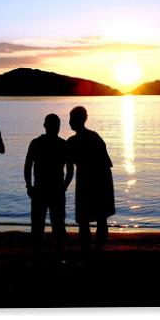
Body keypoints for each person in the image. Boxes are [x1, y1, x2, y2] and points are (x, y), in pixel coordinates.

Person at [67, 106, 115, 257]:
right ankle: (96, 251)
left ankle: (90, 251)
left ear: (77, 120)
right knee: (99, 219)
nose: (69, 122)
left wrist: (63, 185)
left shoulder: (74, 141)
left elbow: (68, 166)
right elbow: (107, 163)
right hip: (101, 181)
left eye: (71, 119)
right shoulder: (94, 137)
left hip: (91, 182)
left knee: (86, 219)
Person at [24, 114, 73, 261]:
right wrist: (64, 187)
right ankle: (56, 257)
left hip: (42, 189)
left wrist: (29, 186)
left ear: (45, 126)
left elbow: (27, 167)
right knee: (57, 225)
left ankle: (39, 256)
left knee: (39, 225)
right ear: (57, 127)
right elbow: (70, 171)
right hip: (53, 190)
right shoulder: (63, 145)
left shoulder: (36, 143)